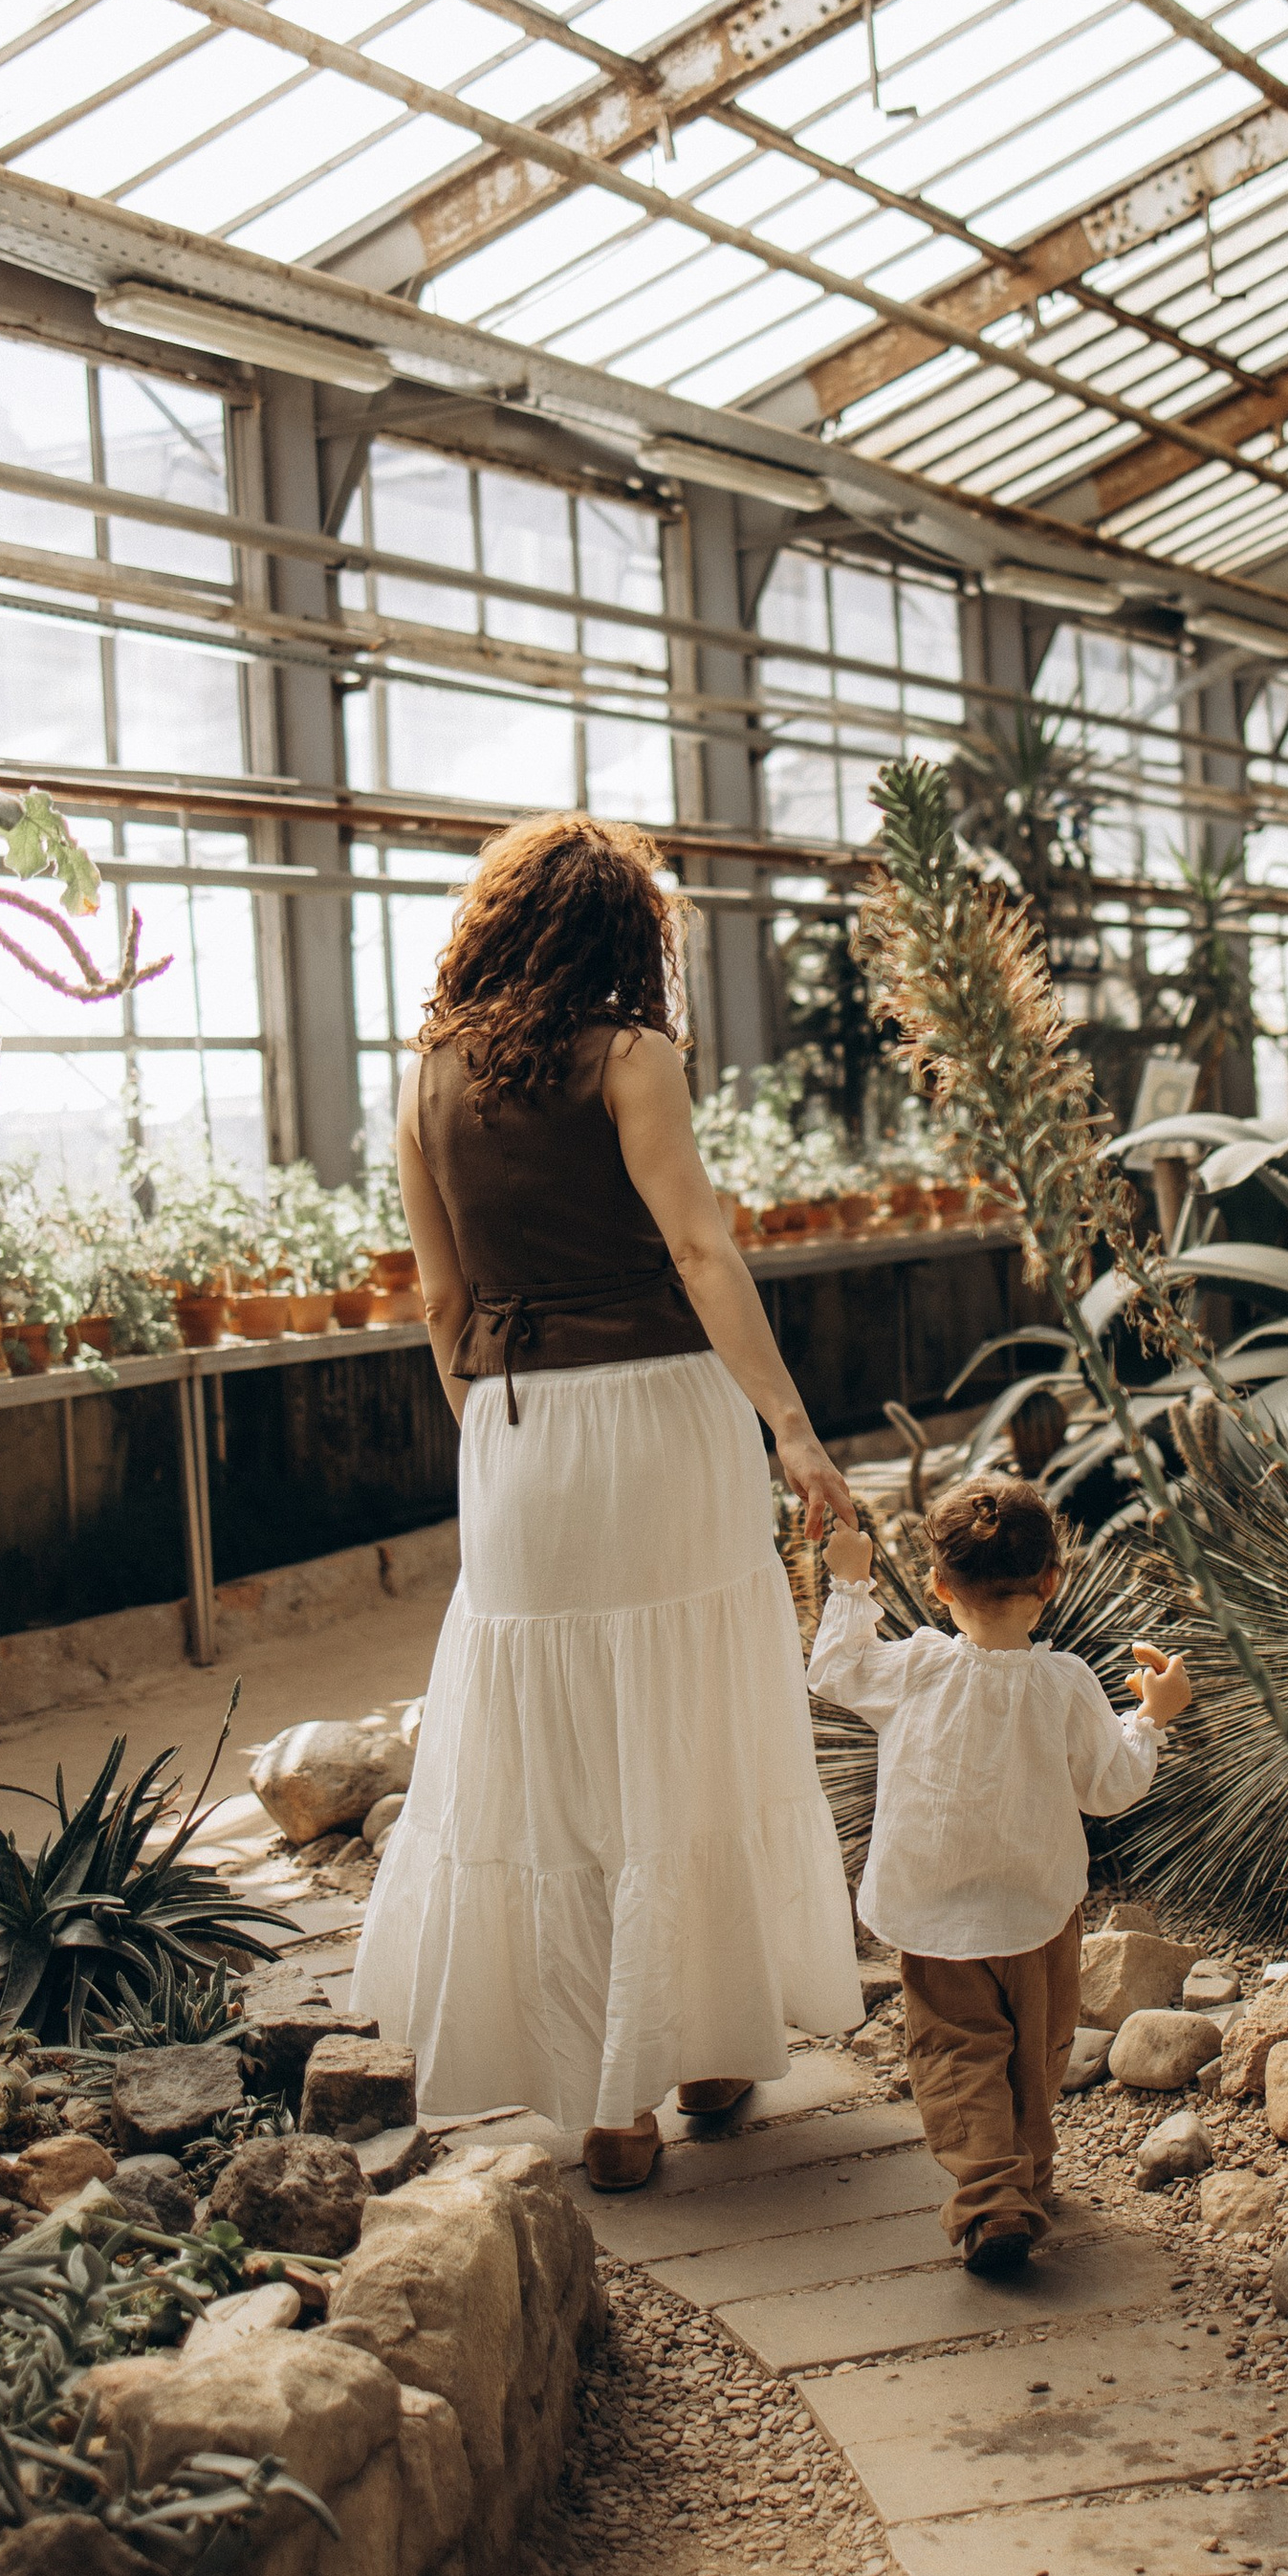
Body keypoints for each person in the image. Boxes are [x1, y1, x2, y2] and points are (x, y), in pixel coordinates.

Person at [352, 812, 864, 2194]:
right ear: (626, 936)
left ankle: (606, 2105)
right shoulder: (636, 1059)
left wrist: (504, 1445)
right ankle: (703, 2056)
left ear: (500, 923)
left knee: (554, 1756)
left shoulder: (426, 1083)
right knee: (690, 1722)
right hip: (662, 1418)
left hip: (516, 1431)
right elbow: (699, 1249)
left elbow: (440, 1300)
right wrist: (796, 1431)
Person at [808, 1478, 1192, 2276]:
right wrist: (1151, 1716)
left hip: (935, 1912)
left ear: (939, 1586)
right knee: (1038, 2048)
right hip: (1038, 1911)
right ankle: (1014, 2184)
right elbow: (1109, 1787)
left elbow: (834, 1670)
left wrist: (850, 1576)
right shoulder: (1067, 1684)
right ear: (1051, 1583)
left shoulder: (913, 1668)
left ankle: (996, 2192)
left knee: (957, 2052)